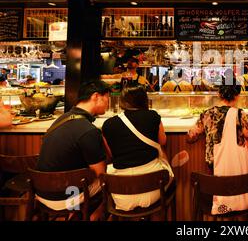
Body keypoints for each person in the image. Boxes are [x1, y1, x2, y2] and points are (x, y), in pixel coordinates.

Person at [187, 82, 248, 213]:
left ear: (219, 94)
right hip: (236, 167)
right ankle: (238, 204)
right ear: (237, 95)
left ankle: (222, 203)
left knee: (218, 179)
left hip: (214, 166)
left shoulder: (207, 114)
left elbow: (191, 137)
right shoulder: (240, 114)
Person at [35, 80, 110, 215]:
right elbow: (100, 173)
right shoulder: (88, 130)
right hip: (65, 197)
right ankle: (80, 215)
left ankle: (75, 215)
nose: (108, 103)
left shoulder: (62, 119)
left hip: (41, 191)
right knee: (110, 184)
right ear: (96, 96)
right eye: (107, 98)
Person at [102, 86, 174, 211]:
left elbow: (112, 154)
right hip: (154, 189)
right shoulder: (152, 116)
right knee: (172, 179)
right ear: (144, 100)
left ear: (122, 102)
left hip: (122, 195)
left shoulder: (108, 124)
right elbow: (162, 141)